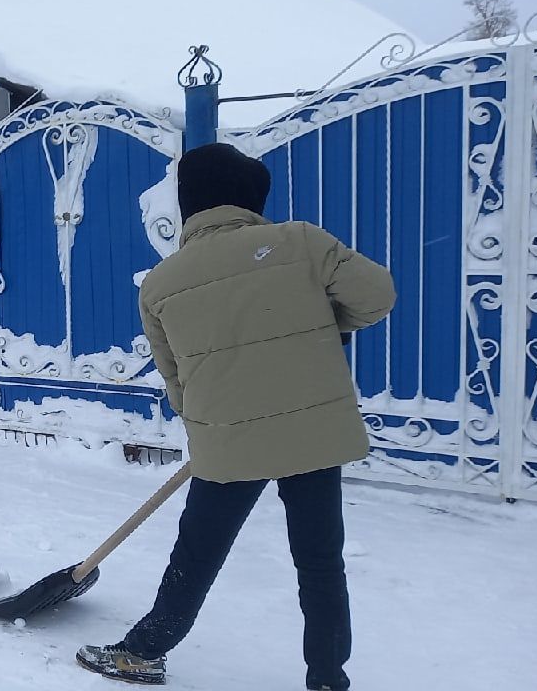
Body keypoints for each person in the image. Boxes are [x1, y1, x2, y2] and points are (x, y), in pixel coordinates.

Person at [76, 143, 395, 690]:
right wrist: (317, 321)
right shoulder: (300, 244)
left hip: (226, 441)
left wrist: (212, 420)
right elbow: (376, 297)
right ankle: (326, 678)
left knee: (197, 552)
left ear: (189, 203)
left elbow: (176, 380)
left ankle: (145, 650)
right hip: (312, 435)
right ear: (250, 198)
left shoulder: (161, 283)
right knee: (320, 563)